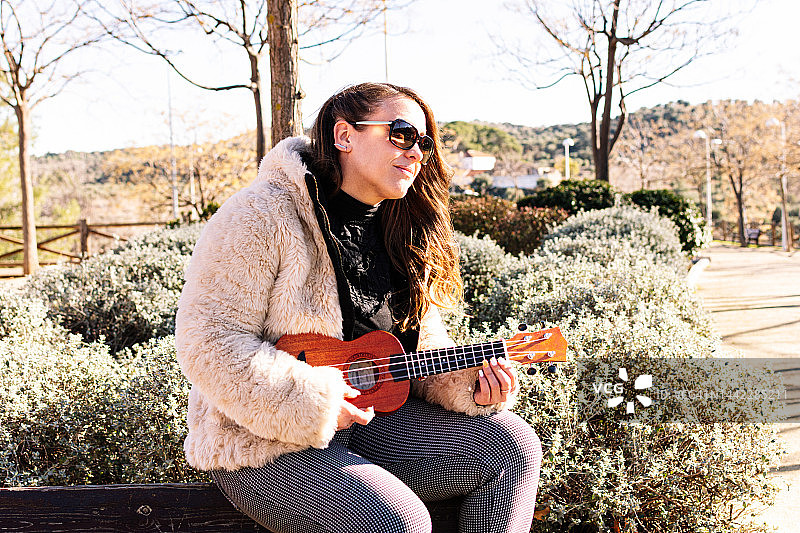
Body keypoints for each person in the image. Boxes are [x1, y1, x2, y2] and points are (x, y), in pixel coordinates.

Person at [175, 82, 542, 533]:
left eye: (424, 143)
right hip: (263, 443)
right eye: (402, 133)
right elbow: (208, 339)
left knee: (513, 448)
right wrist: (312, 402)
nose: (416, 152)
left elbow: (420, 347)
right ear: (344, 136)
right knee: (399, 522)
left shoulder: (402, 230)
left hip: (375, 425)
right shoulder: (261, 214)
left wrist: (471, 383)